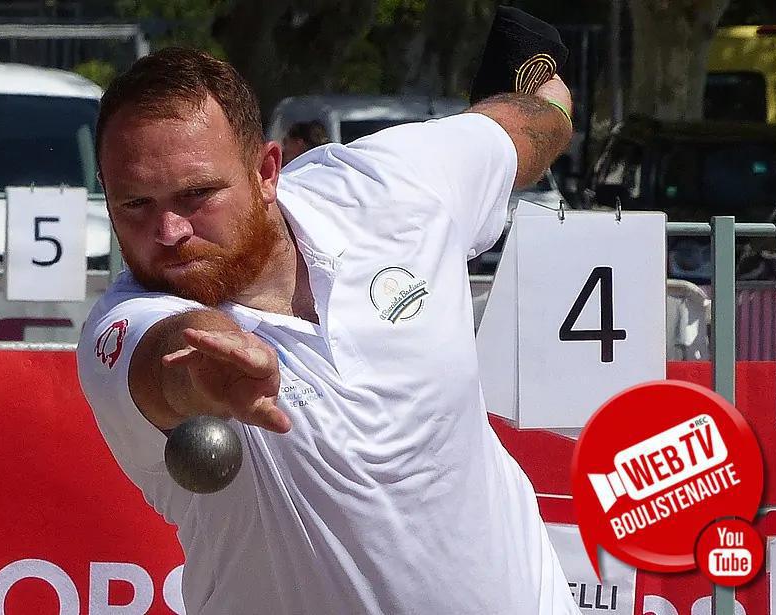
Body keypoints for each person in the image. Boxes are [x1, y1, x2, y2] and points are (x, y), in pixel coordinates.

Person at [77, 46, 578, 614]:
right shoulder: (122, 327)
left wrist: (547, 88)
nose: (168, 231)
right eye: (135, 204)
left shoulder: (390, 185)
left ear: (267, 171)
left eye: (197, 195)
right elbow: (164, 364)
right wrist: (205, 377)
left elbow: (524, 127)